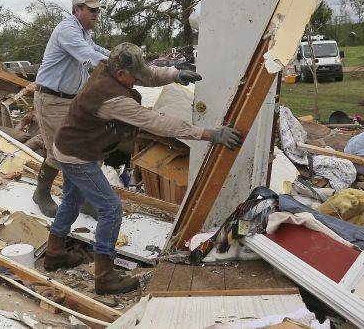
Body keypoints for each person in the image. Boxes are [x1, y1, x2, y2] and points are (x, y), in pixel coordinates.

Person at [43, 43, 243, 295]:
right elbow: (157, 123)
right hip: (77, 155)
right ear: (121, 75)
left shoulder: (110, 66)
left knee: (72, 200)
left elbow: (148, 73)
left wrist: (174, 74)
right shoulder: (114, 99)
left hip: (71, 146)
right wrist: (208, 134)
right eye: (134, 76)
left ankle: (54, 253)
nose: (139, 79)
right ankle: (104, 276)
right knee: (111, 208)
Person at [32, 0, 110, 217]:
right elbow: (90, 55)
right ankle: (41, 193)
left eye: (98, 10)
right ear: (77, 9)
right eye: (91, 10)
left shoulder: (83, 32)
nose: (96, 14)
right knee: (58, 152)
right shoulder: (68, 29)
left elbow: (97, 49)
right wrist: (118, 66)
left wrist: (121, 55)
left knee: (87, 148)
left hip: (72, 100)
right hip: (52, 100)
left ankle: (84, 200)